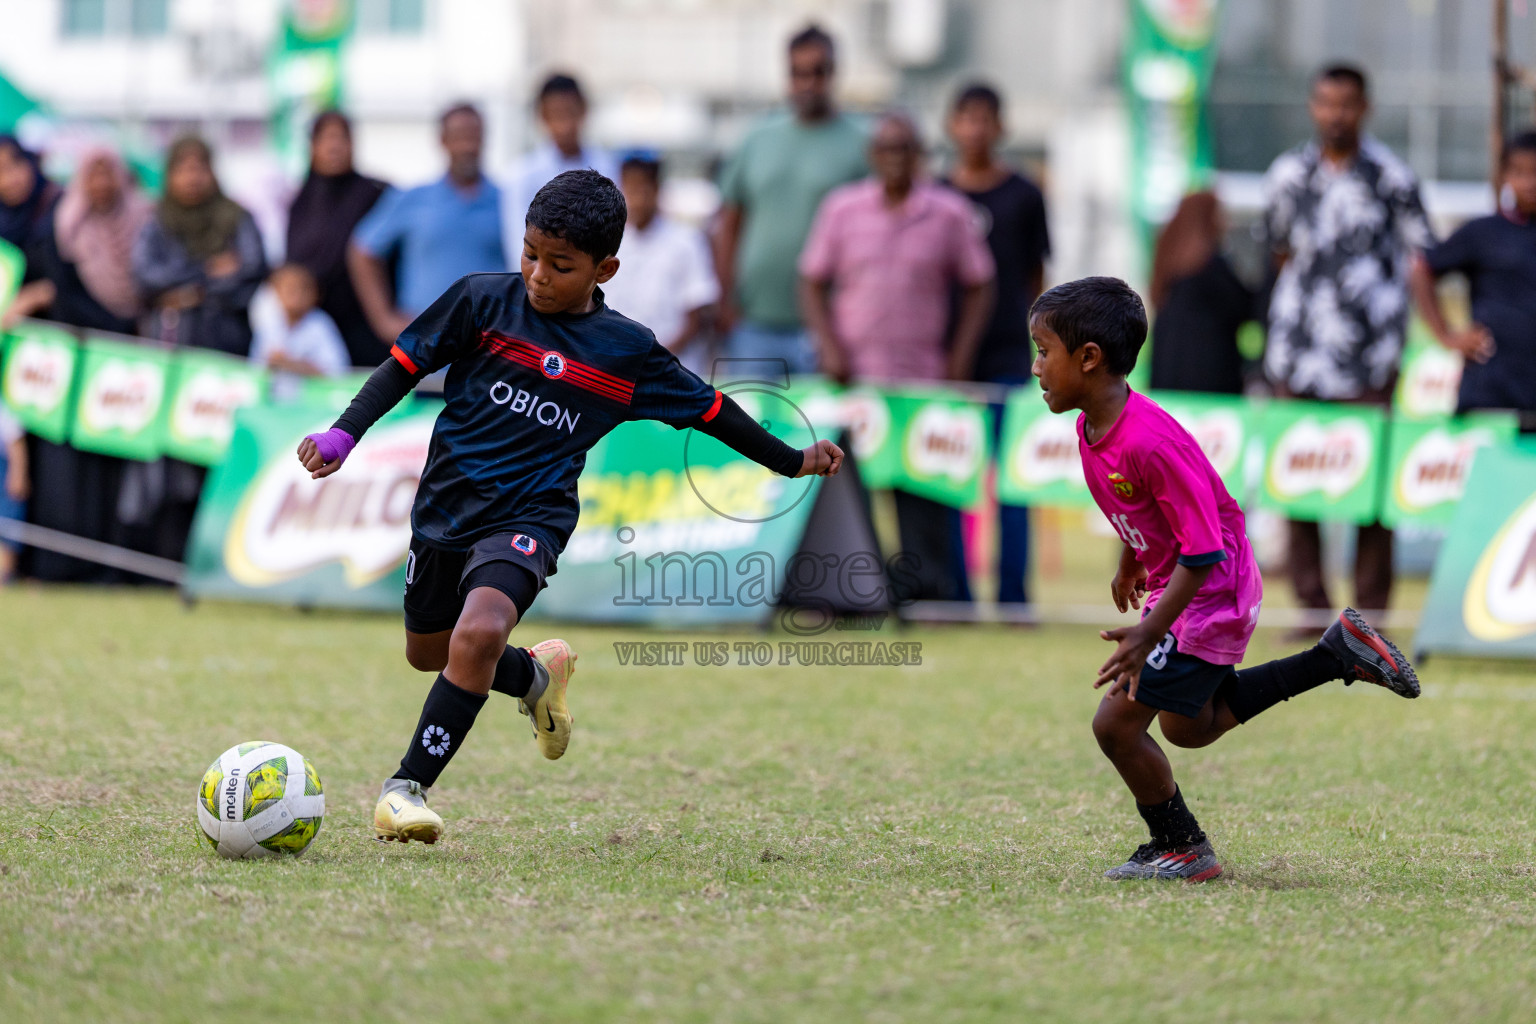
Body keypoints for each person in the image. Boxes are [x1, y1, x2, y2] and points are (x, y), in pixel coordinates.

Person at [295, 170, 845, 844]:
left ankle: (405, 789)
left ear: (604, 267)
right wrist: (344, 433)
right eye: (530, 254)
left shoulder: (625, 351)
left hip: (532, 516)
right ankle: (534, 675)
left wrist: (792, 459)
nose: (537, 275)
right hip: (444, 509)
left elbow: (712, 411)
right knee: (430, 652)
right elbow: (403, 365)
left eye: (560, 265)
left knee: (476, 636)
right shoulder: (480, 301)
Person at [1029, 276, 1420, 882]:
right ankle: (1334, 655)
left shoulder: (1149, 440)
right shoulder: (1092, 427)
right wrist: (1133, 558)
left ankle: (1183, 846)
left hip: (1210, 591)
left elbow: (1204, 549)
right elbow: (1141, 508)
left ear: (1088, 358)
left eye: (1043, 350)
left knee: (1116, 726)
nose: (1035, 366)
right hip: (1185, 584)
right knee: (1190, 726)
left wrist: (1148, 631)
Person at [799, 112, 995, 603]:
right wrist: (828, 344)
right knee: (848, 487)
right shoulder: (842, 209)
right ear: (872, 155)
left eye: (905, 148)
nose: (895, 158)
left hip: (921, 378)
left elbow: (980, 285)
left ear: (920, 154)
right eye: (886, 148)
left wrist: (960, 357)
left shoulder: (948, 213)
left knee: (918, 494)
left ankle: (922, 593)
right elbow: (811, 280)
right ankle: (852, 592)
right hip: (854, 378)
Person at [1262, 64, 1432, 618]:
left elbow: (1422, 256)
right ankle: (1312, 609)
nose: (1336, 114)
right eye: (1326, 103)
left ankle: (1368, 617)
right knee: (1297, 481)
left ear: (1366, 108)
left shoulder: (1393, 177)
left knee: (1371, 493)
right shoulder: (1287, 173)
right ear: (1313, 106)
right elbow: (1278, 250)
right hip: (1298, 353)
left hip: (1370, 356)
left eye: (1347, 104)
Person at [944, 81, 1051, 607]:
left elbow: (1037, 276)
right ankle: (954, 593)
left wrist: (1041, 346)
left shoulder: (1024, 194)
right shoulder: (936, 195)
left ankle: (1013, 596)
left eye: (985, 119)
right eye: (966, 118)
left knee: (1013, 484)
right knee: (951, 479)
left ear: (1001, 126)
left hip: (1010, 354)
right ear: (950, 125)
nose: (976, 130)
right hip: (949, 360)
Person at [715, 24, 868, 374]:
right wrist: (725, 302)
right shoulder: (757, 138)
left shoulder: (864, 142)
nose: (807, 83)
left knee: (819, 428)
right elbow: (729, 221)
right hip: (754, 323)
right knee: (748, 426)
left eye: (818, 72)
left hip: (832, 329)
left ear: (833, 73)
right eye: (798, 73)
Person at [350, 103, 505, 344]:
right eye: (459, 137)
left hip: (490, 350)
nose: (467, 146)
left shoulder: (506, 200)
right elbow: (362, 250)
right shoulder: (413, 198)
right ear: (443, 141)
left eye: (474, 136)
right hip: (425, 351)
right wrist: (384, 319)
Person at [1411, 130, 1536, 428]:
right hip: (1491, 393)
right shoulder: (1483, 233)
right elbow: (1421, 270)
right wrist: (1447, 336)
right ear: (1504, 176)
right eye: (1520, 172)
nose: (1530, 183)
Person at [134, 135, 268, 355]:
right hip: (170, 338)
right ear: (169, 175)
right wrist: (205, 269)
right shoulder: (156, 221)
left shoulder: (236, 217)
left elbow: (252, 270)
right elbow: (145, 274)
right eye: (183, 170)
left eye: (198, 169)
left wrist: (191, 296)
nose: (192, 178)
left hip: (226, 337)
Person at [285, 110, 390, 368]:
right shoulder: (300, 202)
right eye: (325, 139)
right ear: (312, 146)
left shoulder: (376, 194)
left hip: (366, 327)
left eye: (341, 138)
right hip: (313, 331)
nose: (333, 147)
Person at [601, 152, 719, 374]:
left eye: (642, 188)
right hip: (618, 368)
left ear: (657, 189)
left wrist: (655, 358)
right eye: (630, 189)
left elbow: (696, 316)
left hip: (674, 368)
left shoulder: (686, 241)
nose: (636, 198)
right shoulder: (609, 242)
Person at [501, 74, 618, 269]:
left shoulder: (609, 169)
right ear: (542, 116)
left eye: (570, 112)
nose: (565, 125)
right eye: (556, 114)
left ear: (584, 110)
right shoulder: (522, 176)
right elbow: (517, 247)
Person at [1148, 191, 1253, 395]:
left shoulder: (1169, 264)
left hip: (1168, 380)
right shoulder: (1210, 266)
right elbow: (1244, 306)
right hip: (1210, 382)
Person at [250, 263, 350, 401]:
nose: (296, 296)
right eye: (289, 290)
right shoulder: (269, 324)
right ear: (276, 292)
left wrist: (291, 364)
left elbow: (337, 374)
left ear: (315, 294)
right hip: (274, 405)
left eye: (303, 290)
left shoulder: (320, 325)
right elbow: (255, 371)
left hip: (314, 406)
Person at [0, 407, 26, 583]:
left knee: (7, 525)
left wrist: (18, 474)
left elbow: (16, 441)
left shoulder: (5, 405)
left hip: (4, 470)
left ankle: (4, 577)